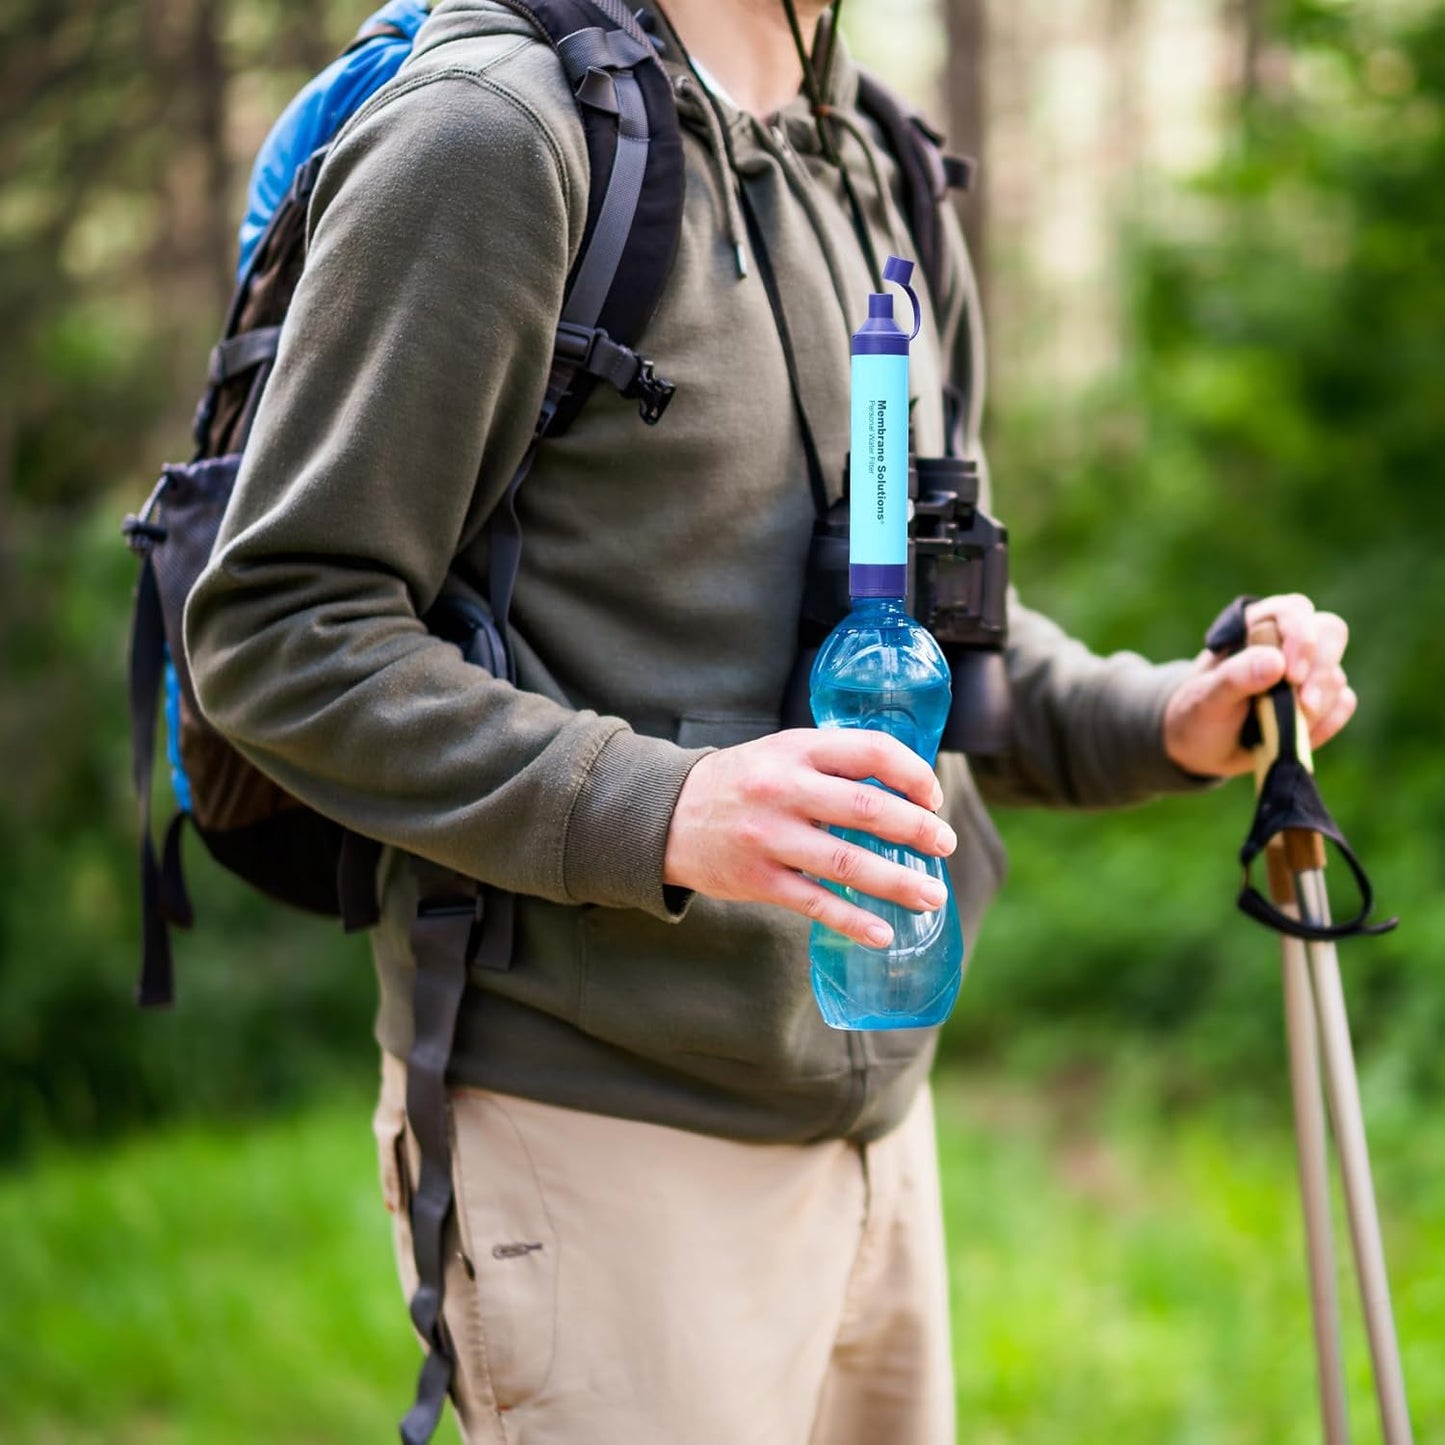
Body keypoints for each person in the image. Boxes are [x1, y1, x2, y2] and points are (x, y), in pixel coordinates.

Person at [183, 1, 1356, 1441]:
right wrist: (669, 810)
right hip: (599, 1141)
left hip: (874, 1128)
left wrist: (1174, 712)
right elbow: (279, 628)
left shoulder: (874, 158)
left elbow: (936, 632)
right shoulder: (491, 136)